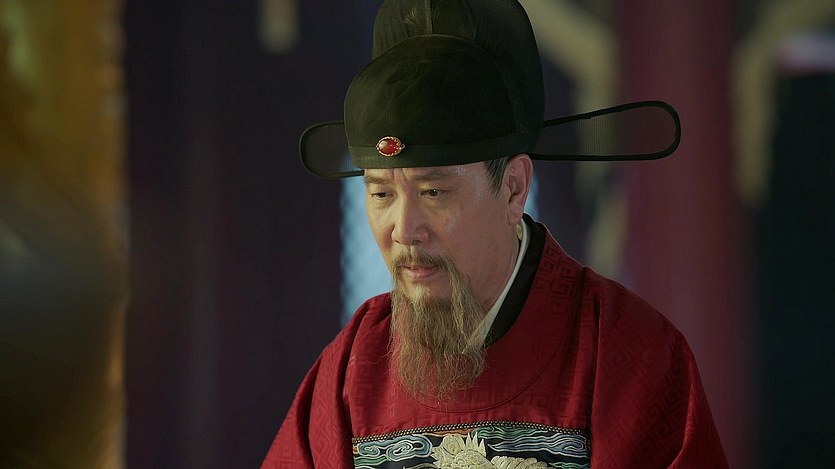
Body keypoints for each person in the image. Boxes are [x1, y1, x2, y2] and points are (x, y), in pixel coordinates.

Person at [262, 0, 728, 467]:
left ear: (513, 188)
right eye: (382, 194)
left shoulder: (627, 351)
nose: (404, 230)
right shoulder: (353, 366)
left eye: (434, 192)